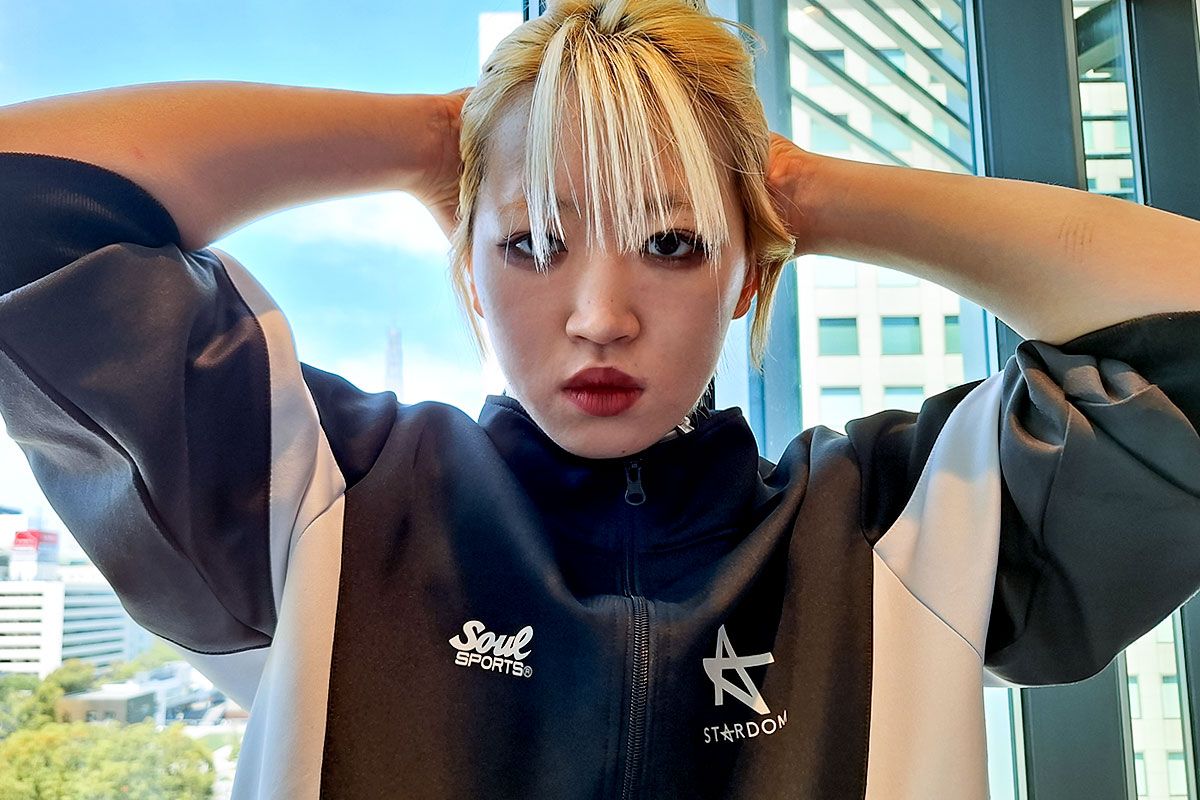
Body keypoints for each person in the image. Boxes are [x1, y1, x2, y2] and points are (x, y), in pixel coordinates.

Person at [0, 0, 1198, 797]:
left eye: (674, 242)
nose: (599, 316)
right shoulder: (320, 497)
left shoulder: (902, 524)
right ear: (468, 277)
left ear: (748, 275)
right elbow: (25, 214)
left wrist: (791, 185)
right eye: (531, 245)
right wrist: (435, 134)